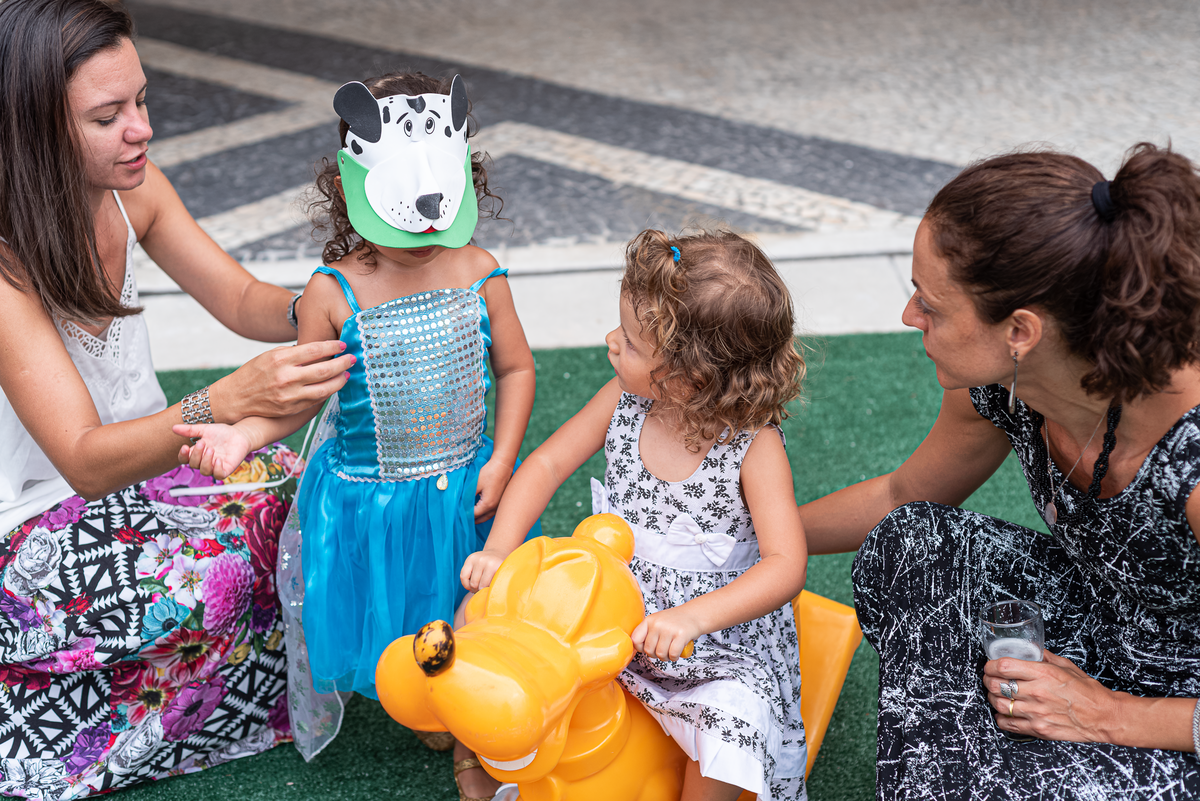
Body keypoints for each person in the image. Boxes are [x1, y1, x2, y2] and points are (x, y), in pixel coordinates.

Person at [0, 0, 354, 796]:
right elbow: (87, 462)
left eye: (142, 100)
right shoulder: (4, 264)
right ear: (32, 129)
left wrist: (328, 303)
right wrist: (224, 399)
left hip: (150, 475)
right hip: (27, 528)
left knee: (307, 503)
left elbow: (237, 296)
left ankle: (162, 689)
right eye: (108, 115)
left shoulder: (133, 187)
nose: (142, 129)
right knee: (220, 570)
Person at [175, 71, 540, 800]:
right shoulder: (330, 293)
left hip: (461, 489)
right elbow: (299, 398)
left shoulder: (480, 272)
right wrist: (243, 432)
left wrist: (502, 457)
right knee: (395, 612)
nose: (423, 237)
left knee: (461, 604)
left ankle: (463, 724)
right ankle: (414, 689)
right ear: (352, 194)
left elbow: (518, 367)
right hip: (367, 501)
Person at [800, 144, 1200, 798]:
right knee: (912, 543)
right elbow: (902, 493)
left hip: (1184, 714)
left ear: (1020, 330)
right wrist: (747, 533)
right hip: (1098, 620)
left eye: (930, 304)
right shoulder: (1006, 382)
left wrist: (1112, 716)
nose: (910, 317)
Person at [472, 229, 810, 801]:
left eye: (629, 342)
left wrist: (692, 620)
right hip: (608, 618)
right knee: (511, 642)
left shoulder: (753, 447)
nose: (610, 341)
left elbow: (785, 565)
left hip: (713, 646)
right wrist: (500, 549)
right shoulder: (625, 401)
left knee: (735, 717)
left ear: (688, 378)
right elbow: (548, 463)